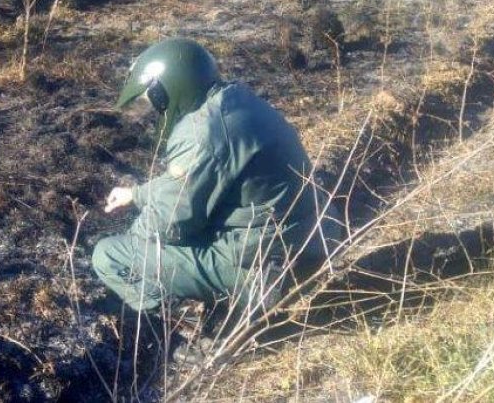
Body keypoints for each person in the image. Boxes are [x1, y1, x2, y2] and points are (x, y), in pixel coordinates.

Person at [92, 37, 337, 321]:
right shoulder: (235, 102)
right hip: (310, 242)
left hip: (270, 269)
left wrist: (133, 256)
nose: (154, 115)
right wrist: (137, 194)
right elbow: (203, 177)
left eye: (153, 106)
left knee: (108, 255)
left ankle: (189, 329)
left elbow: (169, 223)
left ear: (168, 91)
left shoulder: (202, 133)